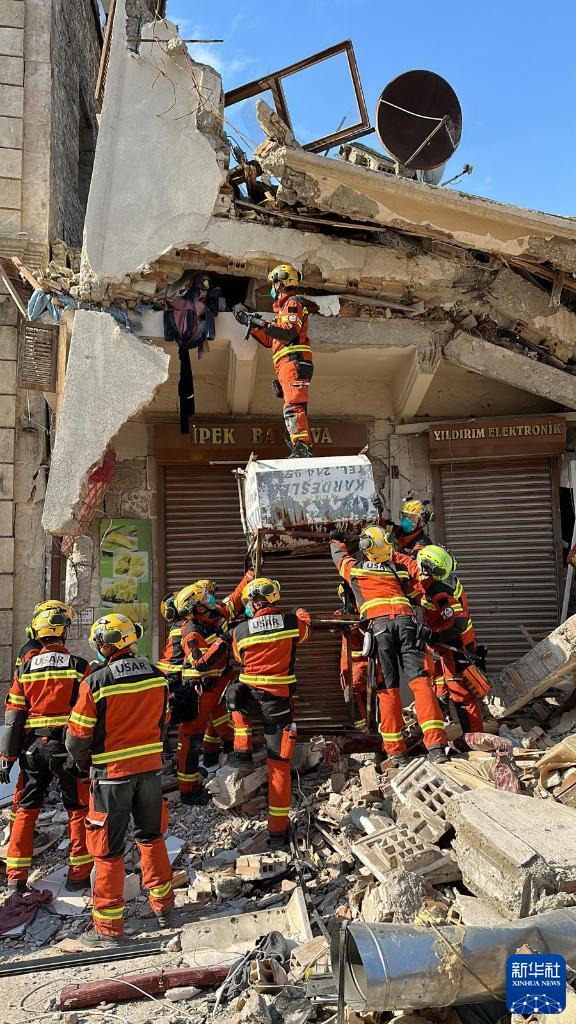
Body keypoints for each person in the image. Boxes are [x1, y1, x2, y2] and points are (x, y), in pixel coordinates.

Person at [66, 614, 173, 947]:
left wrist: (83, 763)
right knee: (151, 837)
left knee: (107, 851)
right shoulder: (158, 676)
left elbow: (76, 738)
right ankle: (165, 910)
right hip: (151, 772)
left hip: (111, 776)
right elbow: (164, 723)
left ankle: (108, 930)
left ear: (107, 644)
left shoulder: (95, 682)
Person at [329, 525, 448, 764]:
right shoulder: (398, 569)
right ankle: (436, 748)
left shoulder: (355, 569)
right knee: (421, 683)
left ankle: (396, 752)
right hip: (406, 624)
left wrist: (335, 539)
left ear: (365, 548)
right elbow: (415, 575)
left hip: (380, 629)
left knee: (388, 689)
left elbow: (339, 557)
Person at [0, 606, 92, 894]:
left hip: (32, 750)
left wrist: (6, 758)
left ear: (37, 635)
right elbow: (88, 713)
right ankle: (78, 875)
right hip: (66, 748)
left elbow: (13, 717)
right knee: (77, 808)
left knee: (26, 810)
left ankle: (16, 878)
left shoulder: (24, 669)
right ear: (63, 632)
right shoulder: (79, 666)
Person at [229, 578, 311, 849]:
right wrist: (302, 614)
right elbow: (306, 633)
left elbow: (239, 658)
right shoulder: (291, 622)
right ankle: (277, 832)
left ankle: (242, 750)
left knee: (234, 694)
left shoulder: (240, 630)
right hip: (278, 706)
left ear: (251, 604)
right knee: (279, 767)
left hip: (250, 702)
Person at [175, 570, 253, 803]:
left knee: (226, 721)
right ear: (196, 607)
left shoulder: (215, 613)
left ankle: (224, 760)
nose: (209, 599)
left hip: (222, 681)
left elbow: (235, 599)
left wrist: (250, 577)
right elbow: (199, 663)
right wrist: (223, 640)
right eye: (204, 598)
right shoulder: (191, 633)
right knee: (190, 736)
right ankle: (188, 789)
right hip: (202, 688)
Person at [3, 600, 75, 837]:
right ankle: (21, 833)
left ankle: (19, 840)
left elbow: (16, 709)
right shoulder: (35, 654)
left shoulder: (29, 651)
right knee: (73, 802)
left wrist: (8, 753)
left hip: (31, 742)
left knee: (28, 796)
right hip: (48, 738)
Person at [234, 264, 314, 458]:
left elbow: (288, 332)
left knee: (293, 405)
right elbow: (271, 340)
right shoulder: (283, 311)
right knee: (293, 405)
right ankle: (303, 446)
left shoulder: (293, 303)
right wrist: (251, 324)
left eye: (273, 283)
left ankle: (302, 447)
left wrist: (261, 323)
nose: (272, 287)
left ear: (280, 283)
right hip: (288, 364)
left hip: (293, 361)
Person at [416, 545, 484, 735]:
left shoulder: (439, 591)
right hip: (452, 644)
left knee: (462, 693)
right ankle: (444, 711)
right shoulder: (445, 579)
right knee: (438, 678)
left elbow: (457, 623)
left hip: (455, 646)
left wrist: (434, 636)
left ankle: (474, 739)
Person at [334, 582, 368, 731]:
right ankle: (361, 728)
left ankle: (367, 728)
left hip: (365, 662)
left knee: (357, 694)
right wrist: (342, 622)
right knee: (351, 695)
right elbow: (335, 625)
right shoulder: (341, 612)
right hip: (349, 664)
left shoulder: (366, 611)